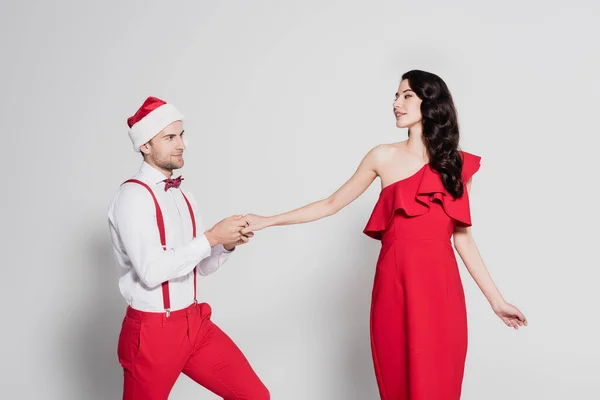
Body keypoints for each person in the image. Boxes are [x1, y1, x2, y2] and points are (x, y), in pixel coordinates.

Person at [241, 70, 527, 399]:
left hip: (440, 287)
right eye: (395, 96)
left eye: (406, 95)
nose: (396, 103)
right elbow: (332, 203)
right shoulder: (382, 156)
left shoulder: (457, 165)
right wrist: (268, 220)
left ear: (431, 103)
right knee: (397, 377)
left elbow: (463, 238)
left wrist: (497, 301)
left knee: (439, 381)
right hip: (395, 284)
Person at [107, 96, 270, 400]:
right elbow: (152, 271)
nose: (181, 144)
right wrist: (211, 237)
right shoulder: (133, 197)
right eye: (169, 137)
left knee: (254, 395)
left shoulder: (184, 196)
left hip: (194, 324)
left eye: (181, 135)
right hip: (153, 331)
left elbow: (201, 267)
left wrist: (226, 245)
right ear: (145, 145)